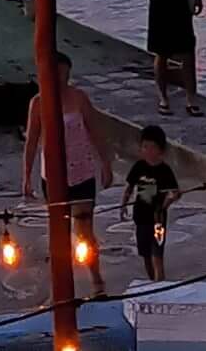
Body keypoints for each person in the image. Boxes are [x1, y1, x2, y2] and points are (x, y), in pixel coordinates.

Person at [21, 69, 108, 298]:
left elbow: (95, 132)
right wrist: (26, 176)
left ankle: (96, 280)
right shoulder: (38, 103)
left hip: (82, 172)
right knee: (59, 235)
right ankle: (59, 288)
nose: (60, 77)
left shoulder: (79, 97)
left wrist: (105, 164)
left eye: (64, 73)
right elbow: (31, 141)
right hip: (53, 175)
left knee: (84, 231)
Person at [122, 126, 181, 284]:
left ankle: (160, 281)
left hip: (158, 218)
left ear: (161, 150)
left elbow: (175, 192)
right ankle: (151, 281)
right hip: (141, 216)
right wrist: (123, 205)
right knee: (146, 253)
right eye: (145, 147)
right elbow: (129, 187)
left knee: (157, 252)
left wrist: (165, 205)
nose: (148, 151)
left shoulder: (165, 170)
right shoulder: (139, 167)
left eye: (152, 147)